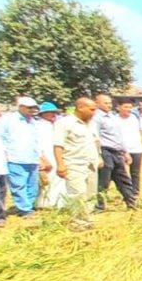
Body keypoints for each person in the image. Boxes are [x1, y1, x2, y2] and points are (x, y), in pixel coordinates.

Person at [54, 98, 102, 229]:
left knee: (91, 194)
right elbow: (58, 145)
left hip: (91, 163)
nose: (94, 113)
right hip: (74, 164)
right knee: (77, 194)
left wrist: (99, 157)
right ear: (80, 107)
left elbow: (95, 141)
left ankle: (88, 220)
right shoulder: (64, 123)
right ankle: (78, 223)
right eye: (91, 110)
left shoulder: (91, 124)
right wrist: (60, 165)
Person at [0, 96, 44, 217]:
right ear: (21, 107)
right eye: (30, 107)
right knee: (19, 185)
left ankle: (29, 205)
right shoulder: (8, 119)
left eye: (34, 107)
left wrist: (40, 156)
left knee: (32, 185)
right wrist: (4, 154)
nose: (33, 110)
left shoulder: (33, 122)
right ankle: (24, 209)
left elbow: (36, 141)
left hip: (32, 158)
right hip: (15, 158)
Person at [92, 94, 137, 211]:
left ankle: (131, 202)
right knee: (104, 180)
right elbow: (95, 137)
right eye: (105, 103)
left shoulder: (112, 117)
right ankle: (99, 205)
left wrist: (125, 152)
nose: (109, 105)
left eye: (110, 103)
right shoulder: (96, 118)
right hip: (105, 151)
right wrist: (98, 155)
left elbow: (119, 136)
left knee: (123, 178)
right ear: (97, 103)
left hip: (117, 151)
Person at [117, 102, 142, 199]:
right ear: (118, 107)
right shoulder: (114, 119)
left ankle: (135, 193)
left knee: (135, 173)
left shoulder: (136, 118)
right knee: (121, 173)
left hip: (136, 149)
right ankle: (126, 193)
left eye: (130, 107)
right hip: (120, 149)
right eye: (126, 107)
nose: (129, 109)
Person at [35, 102, 64, 209]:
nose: (53, 114)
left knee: (58, 179)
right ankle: (43, 203)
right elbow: (37, 144)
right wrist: (42, 159)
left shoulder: (55, 125)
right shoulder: (38, 126)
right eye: (51, 112)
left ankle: (56, 202)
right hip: (45, 155)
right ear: (43, 114)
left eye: (55, 112)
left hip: (55, 155)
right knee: (47, 180)